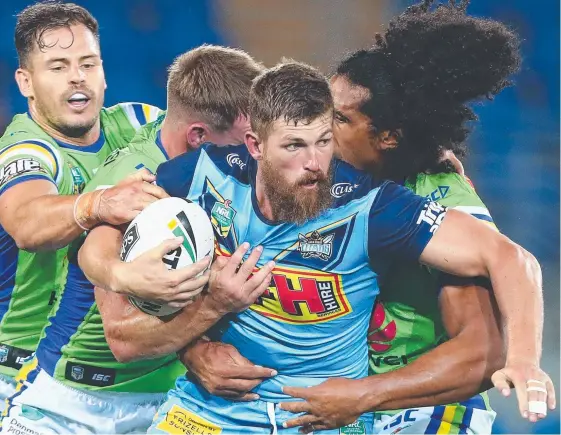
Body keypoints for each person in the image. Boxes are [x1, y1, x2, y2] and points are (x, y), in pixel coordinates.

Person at [86, 60, 543, 434]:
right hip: (211, 411)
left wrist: (525, 361)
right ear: (254, 145)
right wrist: (125, 278)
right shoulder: (204, 174)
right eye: (294, 146)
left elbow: (510, 258)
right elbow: (103, 230)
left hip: (326, 418)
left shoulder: (375, 205)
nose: (315, 164)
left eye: (326, 138)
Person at [173, 2, 555, 433]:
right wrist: (195, 349)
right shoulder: (311, 183)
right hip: (347, 403)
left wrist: (524, 361)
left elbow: (482, 348)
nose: (320, 125)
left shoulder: (440, 198)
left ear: (388, 137)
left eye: (338, 118)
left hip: (423, 409)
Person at [0, 45, 272, 435]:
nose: (254, 151)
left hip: (170, 399)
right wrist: (213, 305)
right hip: (70, 406)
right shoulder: (139, 187)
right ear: (198, 137)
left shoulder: (163, 131)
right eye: (246, 138)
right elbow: (124, 340)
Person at [0, 1, 165, 409]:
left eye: (88, 64)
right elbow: (26, 222)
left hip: (130, 378)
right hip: (23, 378)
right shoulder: (24, 151)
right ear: (26, 82)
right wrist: (100, 203)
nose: (78, 78)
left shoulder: (138, 122)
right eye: (57, 67)